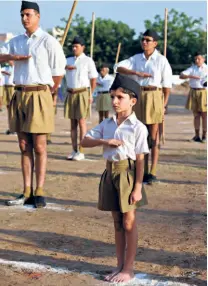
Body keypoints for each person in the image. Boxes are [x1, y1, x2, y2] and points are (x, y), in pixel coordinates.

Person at [81, 73, 149, 283]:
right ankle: (119, 265)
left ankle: (128, 268)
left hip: (127, 175)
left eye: (120, 97)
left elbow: (139, 160)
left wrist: (138, 187)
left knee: (129, 222)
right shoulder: (107, 123)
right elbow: (84, 141)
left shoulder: (138, 128)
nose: (115, 101)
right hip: (110, 173)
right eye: (112, 97)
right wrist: (105, 141)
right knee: (117, 222)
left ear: (133, 101)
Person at [0, 1, 66, 208]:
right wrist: (14, 57)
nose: (24, 18)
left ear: (38, 16)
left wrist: (48, 93)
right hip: (19, 93)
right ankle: (26, 189)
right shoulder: (16, 41)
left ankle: (39, 190)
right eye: (22, 15)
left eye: (28, 14)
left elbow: (58, 73)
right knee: (23, 145)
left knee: (39, 145)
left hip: (39, 94)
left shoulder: (48, 41)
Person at [114, 29, 172, 185]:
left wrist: (164, 105)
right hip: (139, 95)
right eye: (143, 40)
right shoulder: (136, 59)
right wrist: (136, 73)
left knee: (153, 137)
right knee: (139, 134)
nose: (144, 42)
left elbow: (167, 86)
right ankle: (141, 169)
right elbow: (118, 67)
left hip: (154, 95)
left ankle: (152, 171)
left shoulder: (161, 60)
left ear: (155, 43)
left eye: (148, 40)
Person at [64, 36, 98, 161]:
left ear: (82, 47)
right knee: (72, 123)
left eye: (76, 46)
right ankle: (74, 150)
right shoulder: (67, 60)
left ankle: (81, 151)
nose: (74, 48)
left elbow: (93, 78)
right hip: (70, 92)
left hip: (82, 92)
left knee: (81, 121)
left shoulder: (88, 61)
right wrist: (65, 67)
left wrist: (91, 94)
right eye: (73, 46)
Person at [180, 52, 207, 143]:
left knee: (204, 115)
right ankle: (196, 135)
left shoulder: (206, 69)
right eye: (195, 59)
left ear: (204, 59)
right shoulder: (193, 68)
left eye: (199, 59)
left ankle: (204, 135)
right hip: (193, 91)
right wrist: (191, 76)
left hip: (203, 92)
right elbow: (181, 75)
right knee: (196, 115)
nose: (197, 60)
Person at [1, 61, 15, 134]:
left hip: (12, 87)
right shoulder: (4, 65)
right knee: (8, 108)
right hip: (5, 86)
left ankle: (14, 128)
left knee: (13, 108)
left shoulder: (14, 65)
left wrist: (12, 63)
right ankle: (10, 127)